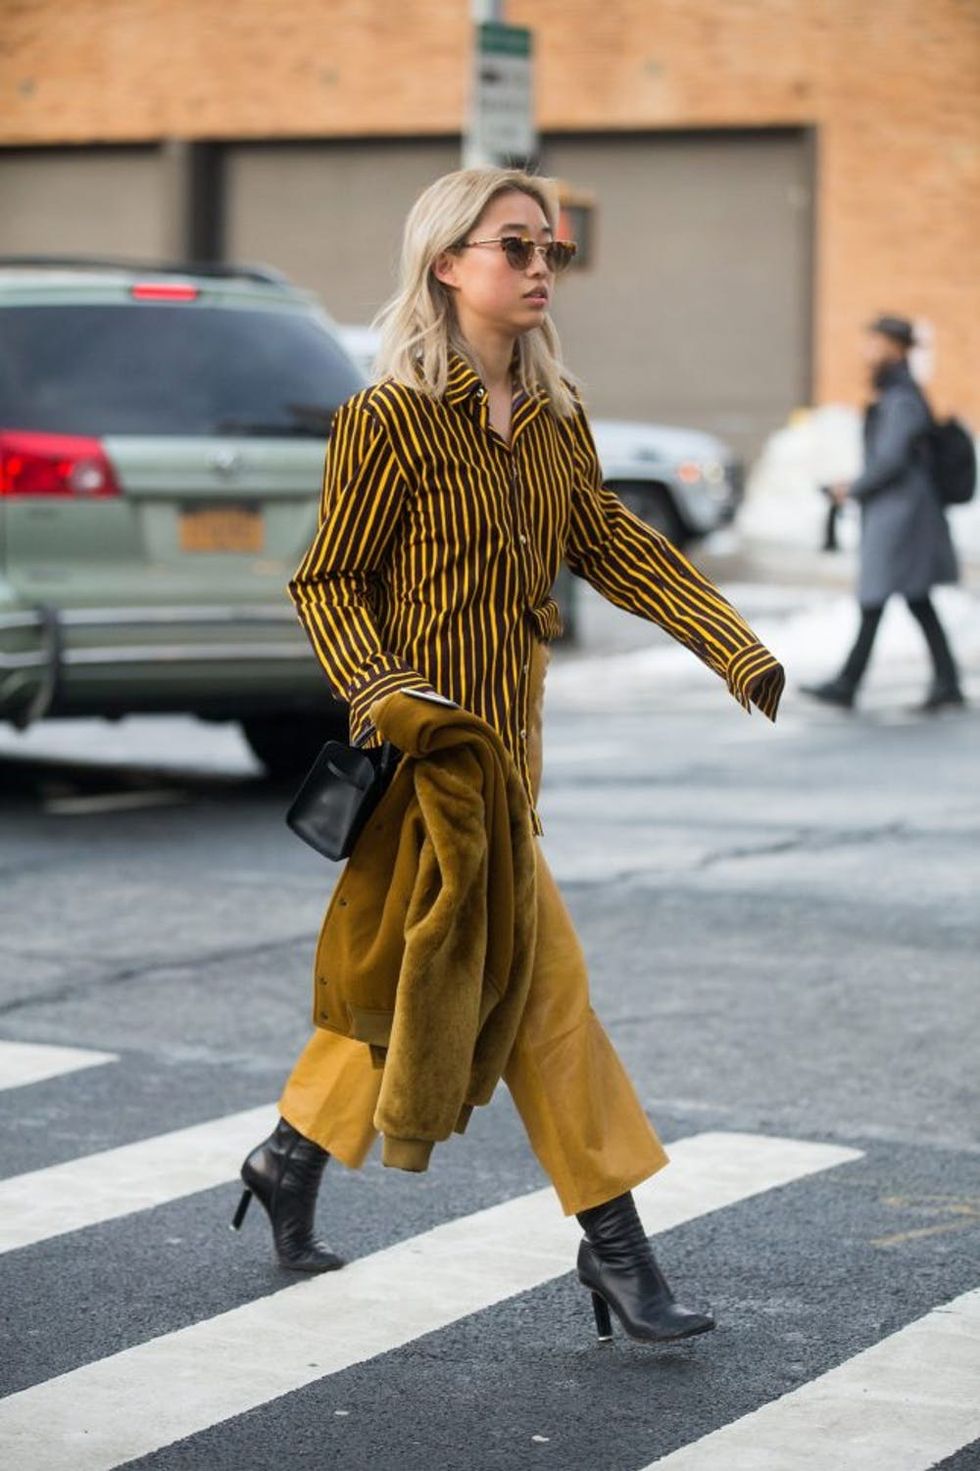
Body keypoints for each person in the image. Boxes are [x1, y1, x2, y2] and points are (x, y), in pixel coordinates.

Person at [232, 167, 785, 1346]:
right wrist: (387, 693)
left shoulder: (551, 421)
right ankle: (618, 1251)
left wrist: (732, 647)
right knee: (544, 997)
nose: (541, 268)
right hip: (426, 767)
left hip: (508, 772)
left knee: (414, 980)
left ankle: (287, 1156)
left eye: (553, 252)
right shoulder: (388, 419)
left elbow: (614, 545)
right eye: (515, 247)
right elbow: (327, 577)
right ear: (447, 263)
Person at [802, 314, 963, 712]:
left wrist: (852, 488)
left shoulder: (902, 395)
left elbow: (891, 458)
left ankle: (848, 683)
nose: (865, 351)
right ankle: (946, 684)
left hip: (903, 515)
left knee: (878, 596)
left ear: (893, 347)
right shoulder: (896, 391)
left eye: (872, 343)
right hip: (899, 510)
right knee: (914, 599)